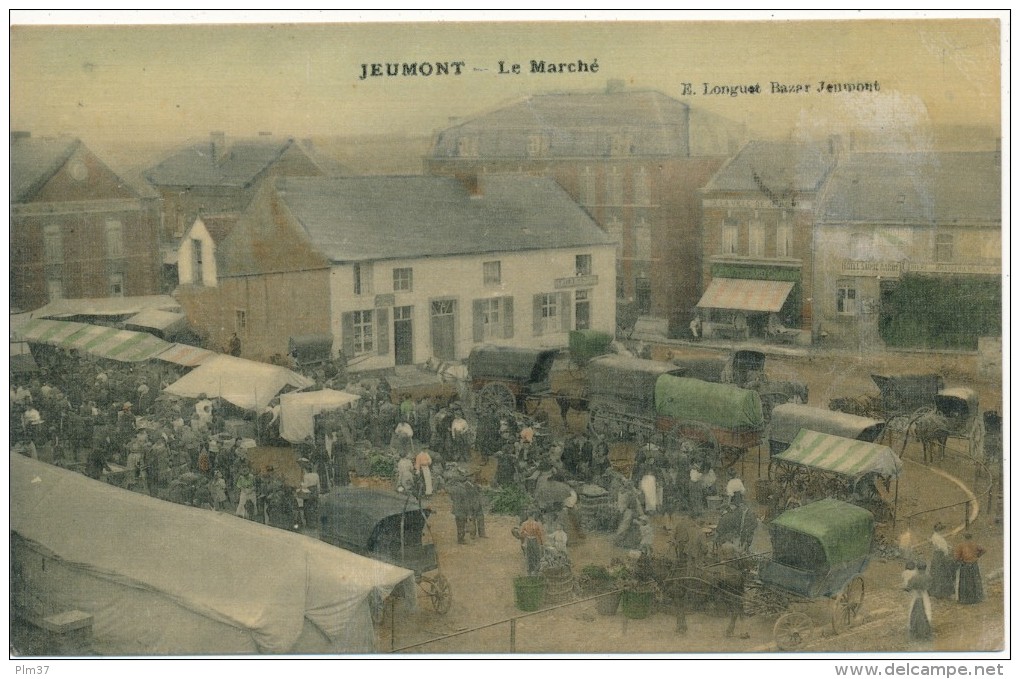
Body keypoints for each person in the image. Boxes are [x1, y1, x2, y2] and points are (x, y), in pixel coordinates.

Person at [953, 533, 986, 604]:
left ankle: (966, 599)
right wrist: (977, 556)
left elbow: (956, 557)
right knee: (974, 581)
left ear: (964, 537)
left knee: (966, 583)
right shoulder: (974, 544)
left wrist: (960, 560)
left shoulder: (961, 545)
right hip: (974, 565)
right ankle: (976, 598)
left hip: (965, 565)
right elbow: (983, 550)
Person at [928, 522, 958, 600]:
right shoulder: (937, 537)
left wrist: (948, 546)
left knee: (938, 573)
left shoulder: (936, 536)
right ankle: (940, 592)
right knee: (942, 573)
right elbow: (942, 548)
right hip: (940, 556)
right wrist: (947, 551)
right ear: (940, 530)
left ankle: (938, 592)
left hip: (938, 556)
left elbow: (942, 546)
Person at [905, 561, 933, 641]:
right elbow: (931, 587)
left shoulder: (914, 578)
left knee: (913, 611)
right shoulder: (928, 577)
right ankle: (926, 629)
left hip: (916, 595)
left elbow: (908, 588)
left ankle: (915, 629)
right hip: (925, 595)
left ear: (917, 568)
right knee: (927, 611)